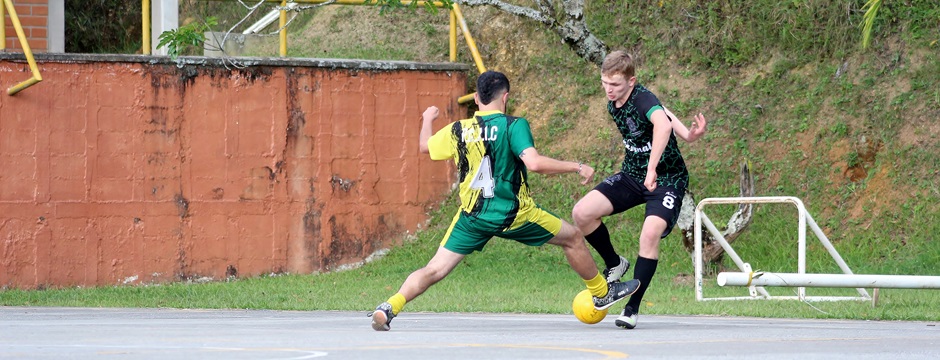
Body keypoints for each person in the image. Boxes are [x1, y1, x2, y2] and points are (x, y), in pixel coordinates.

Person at [370, 70, 640, 331]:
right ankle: (601, 292)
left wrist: (428, 118)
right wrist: (576, 166)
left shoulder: (457, 130)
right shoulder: (513, 125)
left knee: (433, 269)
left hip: (472, 217)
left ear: (476, 98)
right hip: (514, 214)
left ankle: (389, 306)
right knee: (573, 238)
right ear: (506, 97)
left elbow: (424, 146)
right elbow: (533, 163)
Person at [571, 51, 707, 330]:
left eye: (616, 85)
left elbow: (660, 122)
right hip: (632, 176)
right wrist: (688, 134)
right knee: (582, 213)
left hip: (666, 179)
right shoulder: (614, 102)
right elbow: (664, 112)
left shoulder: (642, 97)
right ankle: (615, 263)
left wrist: (653, 167)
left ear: (631, 81)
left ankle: (631, 308)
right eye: (604, 83)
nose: (609, 90)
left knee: (650, 233)